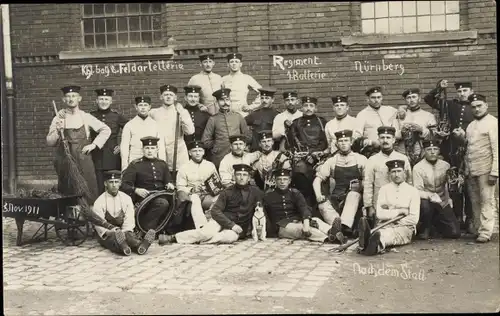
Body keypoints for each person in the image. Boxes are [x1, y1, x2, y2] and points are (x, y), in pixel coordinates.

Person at [158, 164, 264, 245]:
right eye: (238, 174)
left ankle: (202, 241)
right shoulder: (227, 192)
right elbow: (215, 211)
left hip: (238, 228)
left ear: (249, 178)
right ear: (234, 176)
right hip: (221, 221)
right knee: (206, 233)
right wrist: (231, 225)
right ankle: (172, 238)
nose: (241, 177)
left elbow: (262, 210)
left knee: (229, 238)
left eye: (244, 175)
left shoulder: (256, 192)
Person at [423, 80, 474, 232]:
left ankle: (470, 219)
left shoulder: (475, 107)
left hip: (469, 151)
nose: (462, 93)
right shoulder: (449, 105)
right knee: (454, 185)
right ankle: (457, 217)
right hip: (452, 151)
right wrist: (439, 87)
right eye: (459, 91)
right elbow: (429, 100)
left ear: (471, 91)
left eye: (465, 90)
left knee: (469, 187)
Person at [47, 85, 111, 205]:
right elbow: (50, 142)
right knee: (67, 190)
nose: (71, 99)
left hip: (83, 160)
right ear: (64, 100)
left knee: (89, 189)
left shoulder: (85, 117)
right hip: (66, 161)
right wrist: (57, 129)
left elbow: (106, 130)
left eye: (74, 96)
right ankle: (69, 218)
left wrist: (94, 145)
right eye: (68, 96)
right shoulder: (58, 118)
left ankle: (89, 216)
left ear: (79, 98)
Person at [357, 159, 420, 256]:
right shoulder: (384, 190)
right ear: (389, 174)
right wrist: (399, 211)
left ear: (404, 173)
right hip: (384, 224)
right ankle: (369, 245)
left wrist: (393, 219)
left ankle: (370, 244)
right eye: (393, 172)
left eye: (399, 171)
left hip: (405, 228)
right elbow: (380, 214)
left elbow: (414, 219)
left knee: (387, 235)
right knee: (380, 232)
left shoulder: (413, 191)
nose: (396, 175)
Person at [458, 94, 498, 243]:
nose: (476, 109)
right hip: (472, 169)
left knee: (487, 200)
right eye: (473, 107)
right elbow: (468, 148)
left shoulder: (493, 123)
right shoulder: (471, 125)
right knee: (475, 201)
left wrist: (495, 172)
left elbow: (496, 149)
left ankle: (486, 232)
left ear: (486, 105)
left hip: (486, 169)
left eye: (479, 105)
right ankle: (478, 228)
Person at [313, 130, 367, 237]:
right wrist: (318, 195)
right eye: (340, 141)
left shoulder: (360, 159)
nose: (343, 143)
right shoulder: (332, 161)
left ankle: (344, 226)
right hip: (337, 197)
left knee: (353, 194)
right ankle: (338, 227)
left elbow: (369, 181)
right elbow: (317, 180)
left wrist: (361, 184)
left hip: (354, 198)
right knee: (322, 204)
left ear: (351, 142)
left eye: (346, 140)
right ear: (337, 144)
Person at [263, 168, 340, 242]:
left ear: (289, 181)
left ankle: (332, 231)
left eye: (285, 179)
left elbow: (303, 208)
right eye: (279, 179)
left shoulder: (294, 193)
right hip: (282, 226)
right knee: (303, 229)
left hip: (297, 220)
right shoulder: (269, 196)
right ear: (275, 181)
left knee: (315, 220)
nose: (282, 182)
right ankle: (328, 238)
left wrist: (306, 221)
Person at [92, 170, 156, 256]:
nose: (114, 185)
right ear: (105, 184)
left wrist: (125, 231)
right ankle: (124, 247)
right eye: (111, 182)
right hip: (108, 232)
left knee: (130, 237)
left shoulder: (126, 198)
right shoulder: (100, 201)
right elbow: (98, 223)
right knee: (112, 240)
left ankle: (140, 246)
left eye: (116, 182)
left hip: (123, 230)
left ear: (120, 183)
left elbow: (129, 218)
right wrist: (109, 232)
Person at [120, 137, 175, 232]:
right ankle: (146, 229)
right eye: (147, 148)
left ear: (157, 149)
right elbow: (124, 185)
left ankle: (170, 230)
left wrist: (170, 184)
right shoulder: (135, 165)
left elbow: (168, 181)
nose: (150, 151)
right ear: (142, 150)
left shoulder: (162, 164)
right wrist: (136, 190)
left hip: (162, 194)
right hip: (144, 198)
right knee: (162, 203)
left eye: (152, 148)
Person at [362, 126, 412, 227]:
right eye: (382, 137)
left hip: (400, 202)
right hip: (381, 204)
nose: (385, 140)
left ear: (393, 140)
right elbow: (368, 184)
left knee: (400, 226)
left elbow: (409, 182)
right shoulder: (372, 160)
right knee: (381, 227)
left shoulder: (403, 158)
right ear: (378, 139)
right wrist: (369, 206)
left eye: (388, 137)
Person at [413, 138, 460, 240]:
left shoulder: (445, 165)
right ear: (424, 151)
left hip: (442, 202)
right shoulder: (418, 167)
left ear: (439, 151)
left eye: (435, 149)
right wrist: (430, 196)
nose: (432, 152)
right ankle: (426, 227)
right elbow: (417, 190)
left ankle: (436, 225)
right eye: (429, 149)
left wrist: (449, 200)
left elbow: (449, 186)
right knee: (424, 204)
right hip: (427, 202)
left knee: (454, 233)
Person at [287, 96, 329, 206]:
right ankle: (305, 206)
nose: (308, 108)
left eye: (311, 106)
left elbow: (324, 141)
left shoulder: (322, 122)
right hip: (303, 157)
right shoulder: (296, 123)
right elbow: (292, 142)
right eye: (305, 106)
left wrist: (316, 154)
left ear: (316, 108)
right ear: (301, 108)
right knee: (300, 172)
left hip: (320, 156)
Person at [89, 88, 128, 194]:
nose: (103, 102)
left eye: (106, 99)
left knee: (113, 184)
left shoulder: (117, 116)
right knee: (98, 184)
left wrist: (121, 146)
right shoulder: (90, 116)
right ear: (96, 101)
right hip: (95, 155)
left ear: (111, 101)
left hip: (112, 155)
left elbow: (130, 130)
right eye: (101, 99)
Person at [149, 84, 195, 174]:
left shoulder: (181, 112)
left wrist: (182, 113)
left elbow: (190, 131)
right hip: (160, 150)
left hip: (178, 152)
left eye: (171, 95)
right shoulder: (153, 113)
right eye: (166, 95)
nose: (168, 97)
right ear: (161, 97)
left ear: (175, 97)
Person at [201, 88, 252, 169]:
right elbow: (205, 141)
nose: (225, 103)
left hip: (238, 156)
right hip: (219, 156)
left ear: (230, 101)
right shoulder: (213, 119)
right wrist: (218, 145)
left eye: (227, 100)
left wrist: (241, 147)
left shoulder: (238, 116)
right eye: (221, 100)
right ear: (217, 103)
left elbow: (248, 137)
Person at [176, 140, 221, 227]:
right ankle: (201, 227)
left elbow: (217, 183)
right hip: (192, 195)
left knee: (220, 199)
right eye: (194, 151)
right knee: (195, 199)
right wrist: (192, 189)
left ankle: (214, 225)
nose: (197, 153)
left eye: (200, 151)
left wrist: (211, 188)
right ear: (189, 153)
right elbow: (180, 187)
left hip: (208, 195)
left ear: (203, 152)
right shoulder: (184, 167)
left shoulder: (210, 165)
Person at [120, 96, 166, 171]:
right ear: (136, 107)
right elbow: (124, 148)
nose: (143, 108)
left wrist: (162, 165)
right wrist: (125, 167)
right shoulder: (129, 125)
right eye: (140, 105)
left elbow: (161, 147)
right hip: (135, 161)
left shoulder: (156, 125)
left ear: (149, 107)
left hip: (152, 161)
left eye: (145, 105)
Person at [393, 88, 436, 167]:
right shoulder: (399, 115)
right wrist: (402, 132)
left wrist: (421, 130)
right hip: (403, 154)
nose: (411, 100)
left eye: (414, 97)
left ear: (419, 99)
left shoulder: (428, 115)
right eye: (408, 98)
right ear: (405, 100)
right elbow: (393, 134)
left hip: (422, 154)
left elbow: (435, 135)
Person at [353, 87, 398, 157]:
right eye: (373, 98)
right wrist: (370, 142)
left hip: (390, 150)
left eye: (378, 97)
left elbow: (403, 111)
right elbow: (357, 135)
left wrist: (402, 109)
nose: (376, 100)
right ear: (367, 99)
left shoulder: (390, 110)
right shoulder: (362, 114)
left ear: (382, 98)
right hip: (372, 151)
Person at [245, 87, 280, 152]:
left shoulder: (278, 115)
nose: (264, 101)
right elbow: (241, 125)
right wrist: (247, 142)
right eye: (262, 98)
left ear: (273, 99)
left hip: (271, 150)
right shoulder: (254, 114)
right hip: (256, 150)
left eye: (267, 98)